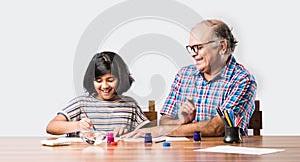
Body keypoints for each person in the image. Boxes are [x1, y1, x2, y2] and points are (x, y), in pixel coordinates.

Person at [122, 19, 257, 138]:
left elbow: (216, 127)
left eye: (198, 47)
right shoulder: (184, 75)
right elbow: (165, 120)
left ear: (222, 47)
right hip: (184, 153)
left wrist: (163, 130)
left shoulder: (242, 80)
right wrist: (179, 121)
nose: (193, 54)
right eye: (191, 48)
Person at [46, 51, 149, 137]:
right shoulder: (82, 104)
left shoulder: (130, 105)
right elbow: (51, 127)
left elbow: (149, 130)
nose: (104, 86)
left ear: (121, 78)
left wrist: (130, 132)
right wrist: (78, 126)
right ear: (92, 81)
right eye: (98, 80)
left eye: (110, 80)